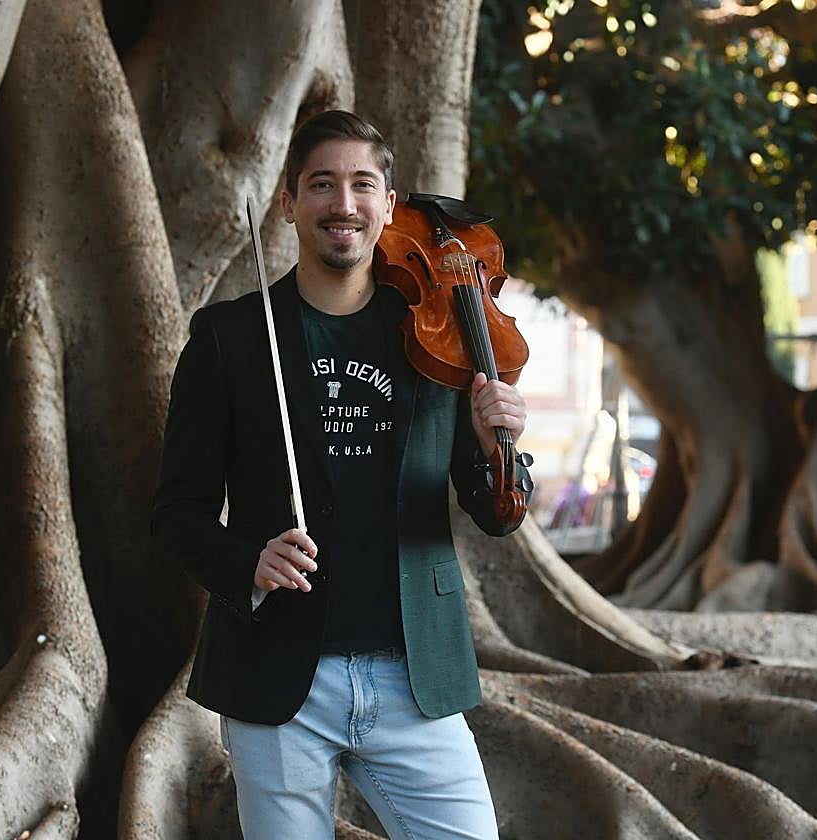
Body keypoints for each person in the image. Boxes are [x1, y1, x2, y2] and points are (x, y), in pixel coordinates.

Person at [151, 109, 532, 839]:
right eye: (321, 185)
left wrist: (493, 449)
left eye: (362, 184)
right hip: (279, 677)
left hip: (415, 674)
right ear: (290, 203)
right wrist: (246, 561)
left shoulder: (438, 336)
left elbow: (497, 512)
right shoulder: (229, 338)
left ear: (389, 206)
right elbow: (177, 511)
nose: (343, 204)